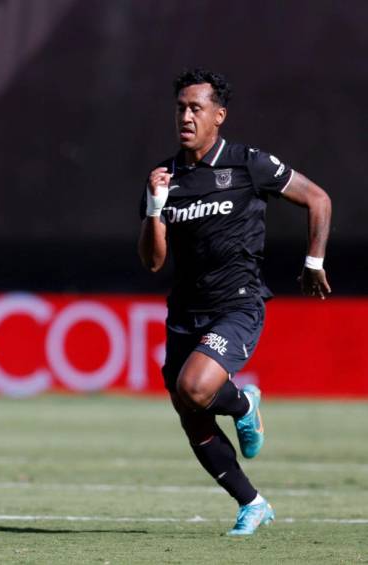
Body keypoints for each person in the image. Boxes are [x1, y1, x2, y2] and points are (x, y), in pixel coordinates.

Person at [138, 69, 332, 536]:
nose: (186, 116)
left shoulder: (248, 164)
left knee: (197, 387)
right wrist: (154, 205)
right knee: (192, 415)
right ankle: (252, 503)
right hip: (185, 311)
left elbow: (319, 199)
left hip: (237, 304)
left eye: (196, 108)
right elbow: (152, 260)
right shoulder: (167, 177)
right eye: (181, 107)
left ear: (218, 116)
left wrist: (313, 260)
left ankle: (244, 405)